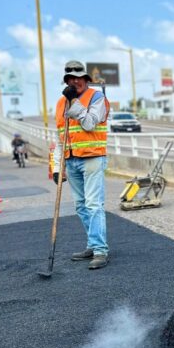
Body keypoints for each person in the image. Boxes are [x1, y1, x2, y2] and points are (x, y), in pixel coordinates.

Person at [52, 60, 111, 270]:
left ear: (86, 79)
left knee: (94, 205)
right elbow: (60, 136)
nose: (75, 81)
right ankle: (92, 245)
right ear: (66, 80)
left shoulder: (97, 98)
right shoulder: (61, 103)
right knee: (81, 206)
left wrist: (74, 102)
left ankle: (101, 251)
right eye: (71, 78)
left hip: (93, 158)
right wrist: (57, 167)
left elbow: (88, 124)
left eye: (79, 77)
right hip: (71, 159)